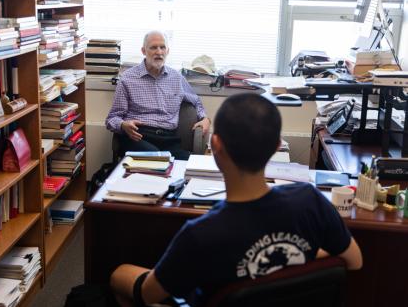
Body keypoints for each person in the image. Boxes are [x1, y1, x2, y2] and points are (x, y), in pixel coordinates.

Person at [110, 93, 362, 307]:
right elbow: (354, 260)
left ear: (215, 146)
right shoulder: (311, 200)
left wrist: (117, 275)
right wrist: (295, 259)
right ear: (277, 147)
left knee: (118, 276)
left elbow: (148, 294)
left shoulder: (199, 235)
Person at [105, 31, 210, 160]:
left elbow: (196, 101)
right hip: (138, 136)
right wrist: (122, 125)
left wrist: (205, 119)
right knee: (156, 159)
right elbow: (112, 119)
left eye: (162, 47)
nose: (159, 52)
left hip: (168, 139)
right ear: (144, 51)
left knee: (189, 164)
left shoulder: (177, 78)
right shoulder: (128, 78)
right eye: (153, 47)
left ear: (168, 51)